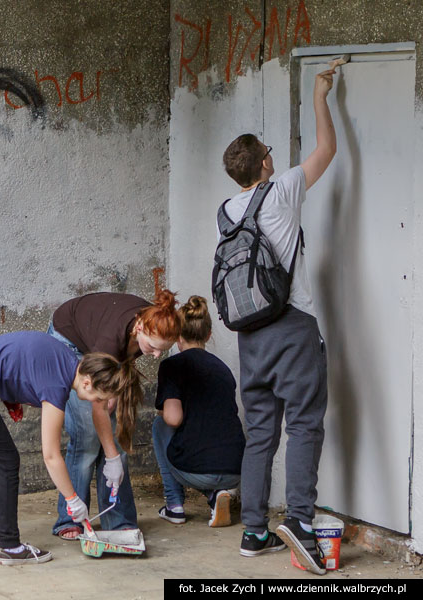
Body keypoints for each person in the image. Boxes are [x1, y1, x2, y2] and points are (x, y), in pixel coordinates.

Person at [219, 58, 342, 574]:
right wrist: (321, 96)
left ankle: (253, 532)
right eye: (269, 152)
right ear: (265, 164)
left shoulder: (227, 210)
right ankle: (301, 524)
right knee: (307, 425)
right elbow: (327, 150)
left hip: (251, 335)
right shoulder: (283, 190)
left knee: (261, 432)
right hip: (293, 326)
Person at [0, 330, 139, 565]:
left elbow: (20, 359)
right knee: (6, 461)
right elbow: (51, 455)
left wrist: (10, 392)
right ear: (87, 382)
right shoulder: (57, 384)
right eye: (99, 397)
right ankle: (11, 547)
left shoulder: (67, 362)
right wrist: (72, 499)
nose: (98, 403)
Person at [47, 289, 183, 539]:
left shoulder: (153, 321)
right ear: (139, 327)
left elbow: (124, 360)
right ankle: (70, 518)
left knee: (114, 437)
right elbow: (98, 406)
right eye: (152, 347)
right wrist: (112, 459)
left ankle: (118, 521)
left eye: (162, 350)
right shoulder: (110, 339)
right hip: (69, 341)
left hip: (101, 346)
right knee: (88, 436)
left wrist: (116, 397)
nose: (155, 355)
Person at [152, 295, 244, 527]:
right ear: (208, 335)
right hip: (235, 468)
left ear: (177, 336)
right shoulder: (224, 370)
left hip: (196, 471)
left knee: (159, 424)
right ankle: (215, 496)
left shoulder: (172, 366)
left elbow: (173, 419)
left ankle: (174, 505)